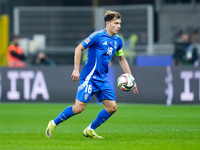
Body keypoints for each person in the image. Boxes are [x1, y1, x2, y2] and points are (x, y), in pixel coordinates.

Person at [45, 10, 138, 139]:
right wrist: (76, 69)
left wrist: (131, 78)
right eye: (116, 23)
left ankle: (90, 129)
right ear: (107, 23)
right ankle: (53, 122)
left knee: (112, 107)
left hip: (102, 79)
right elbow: (78, 48)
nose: (119, 26)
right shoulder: (97, 36)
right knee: (78, 108)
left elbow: (121, 59)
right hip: (89, 78)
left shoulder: (118, 40)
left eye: (120, 23)